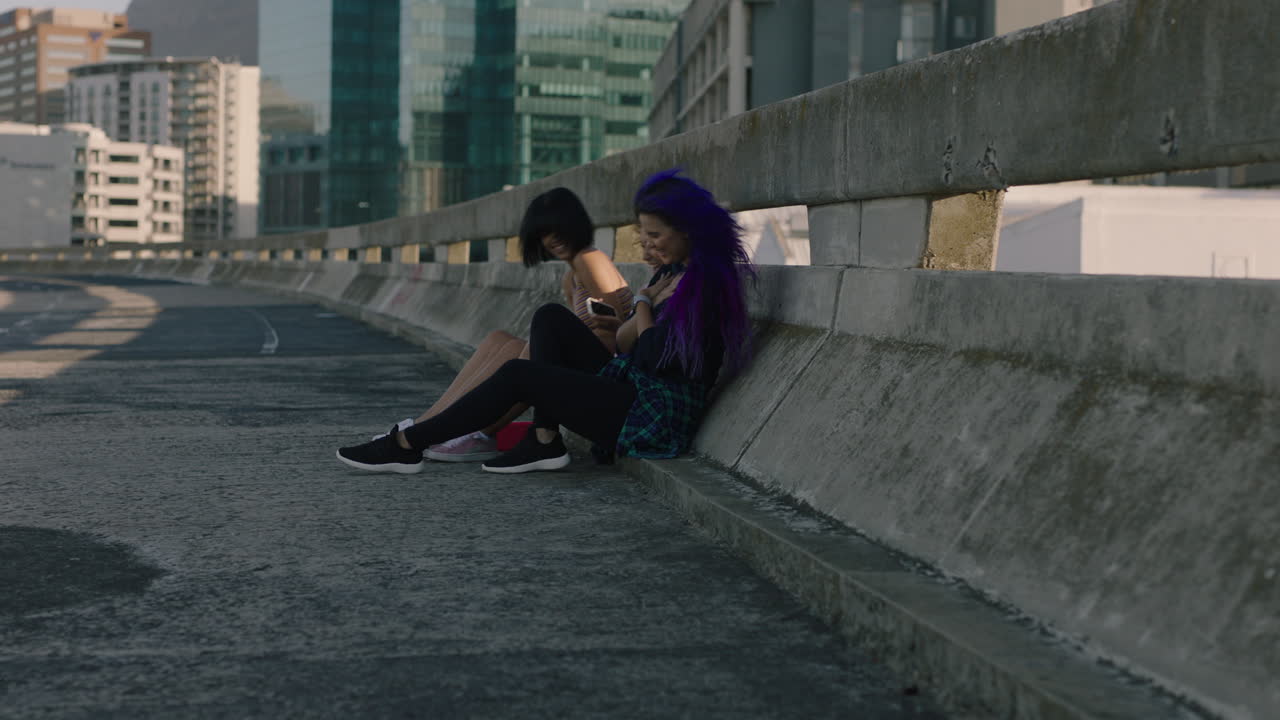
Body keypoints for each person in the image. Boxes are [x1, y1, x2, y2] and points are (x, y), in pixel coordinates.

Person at [336, 169, 753, 474]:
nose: (646, 244)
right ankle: (543, 439)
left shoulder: (705, 286)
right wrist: (638, 307)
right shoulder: (671, 273)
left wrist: (643, 303)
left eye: (655, 236)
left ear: (690, 231)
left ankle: (406, 443)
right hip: (634, 390)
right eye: (642, 234)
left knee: (521, 373)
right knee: (551, 318)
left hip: (655, 416)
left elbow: (650, 357)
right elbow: (628, 344)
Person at [385, 186, 634, 463]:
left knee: (526, 356)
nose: (552, 239)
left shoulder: (590, 260)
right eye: (543, 233)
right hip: (589, 366)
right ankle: (426, 423)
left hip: (608, 375)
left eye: (559, 229)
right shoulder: (572, 275)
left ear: (575, 225)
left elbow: (618, 333)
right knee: (500, 340)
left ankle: (480, 433)